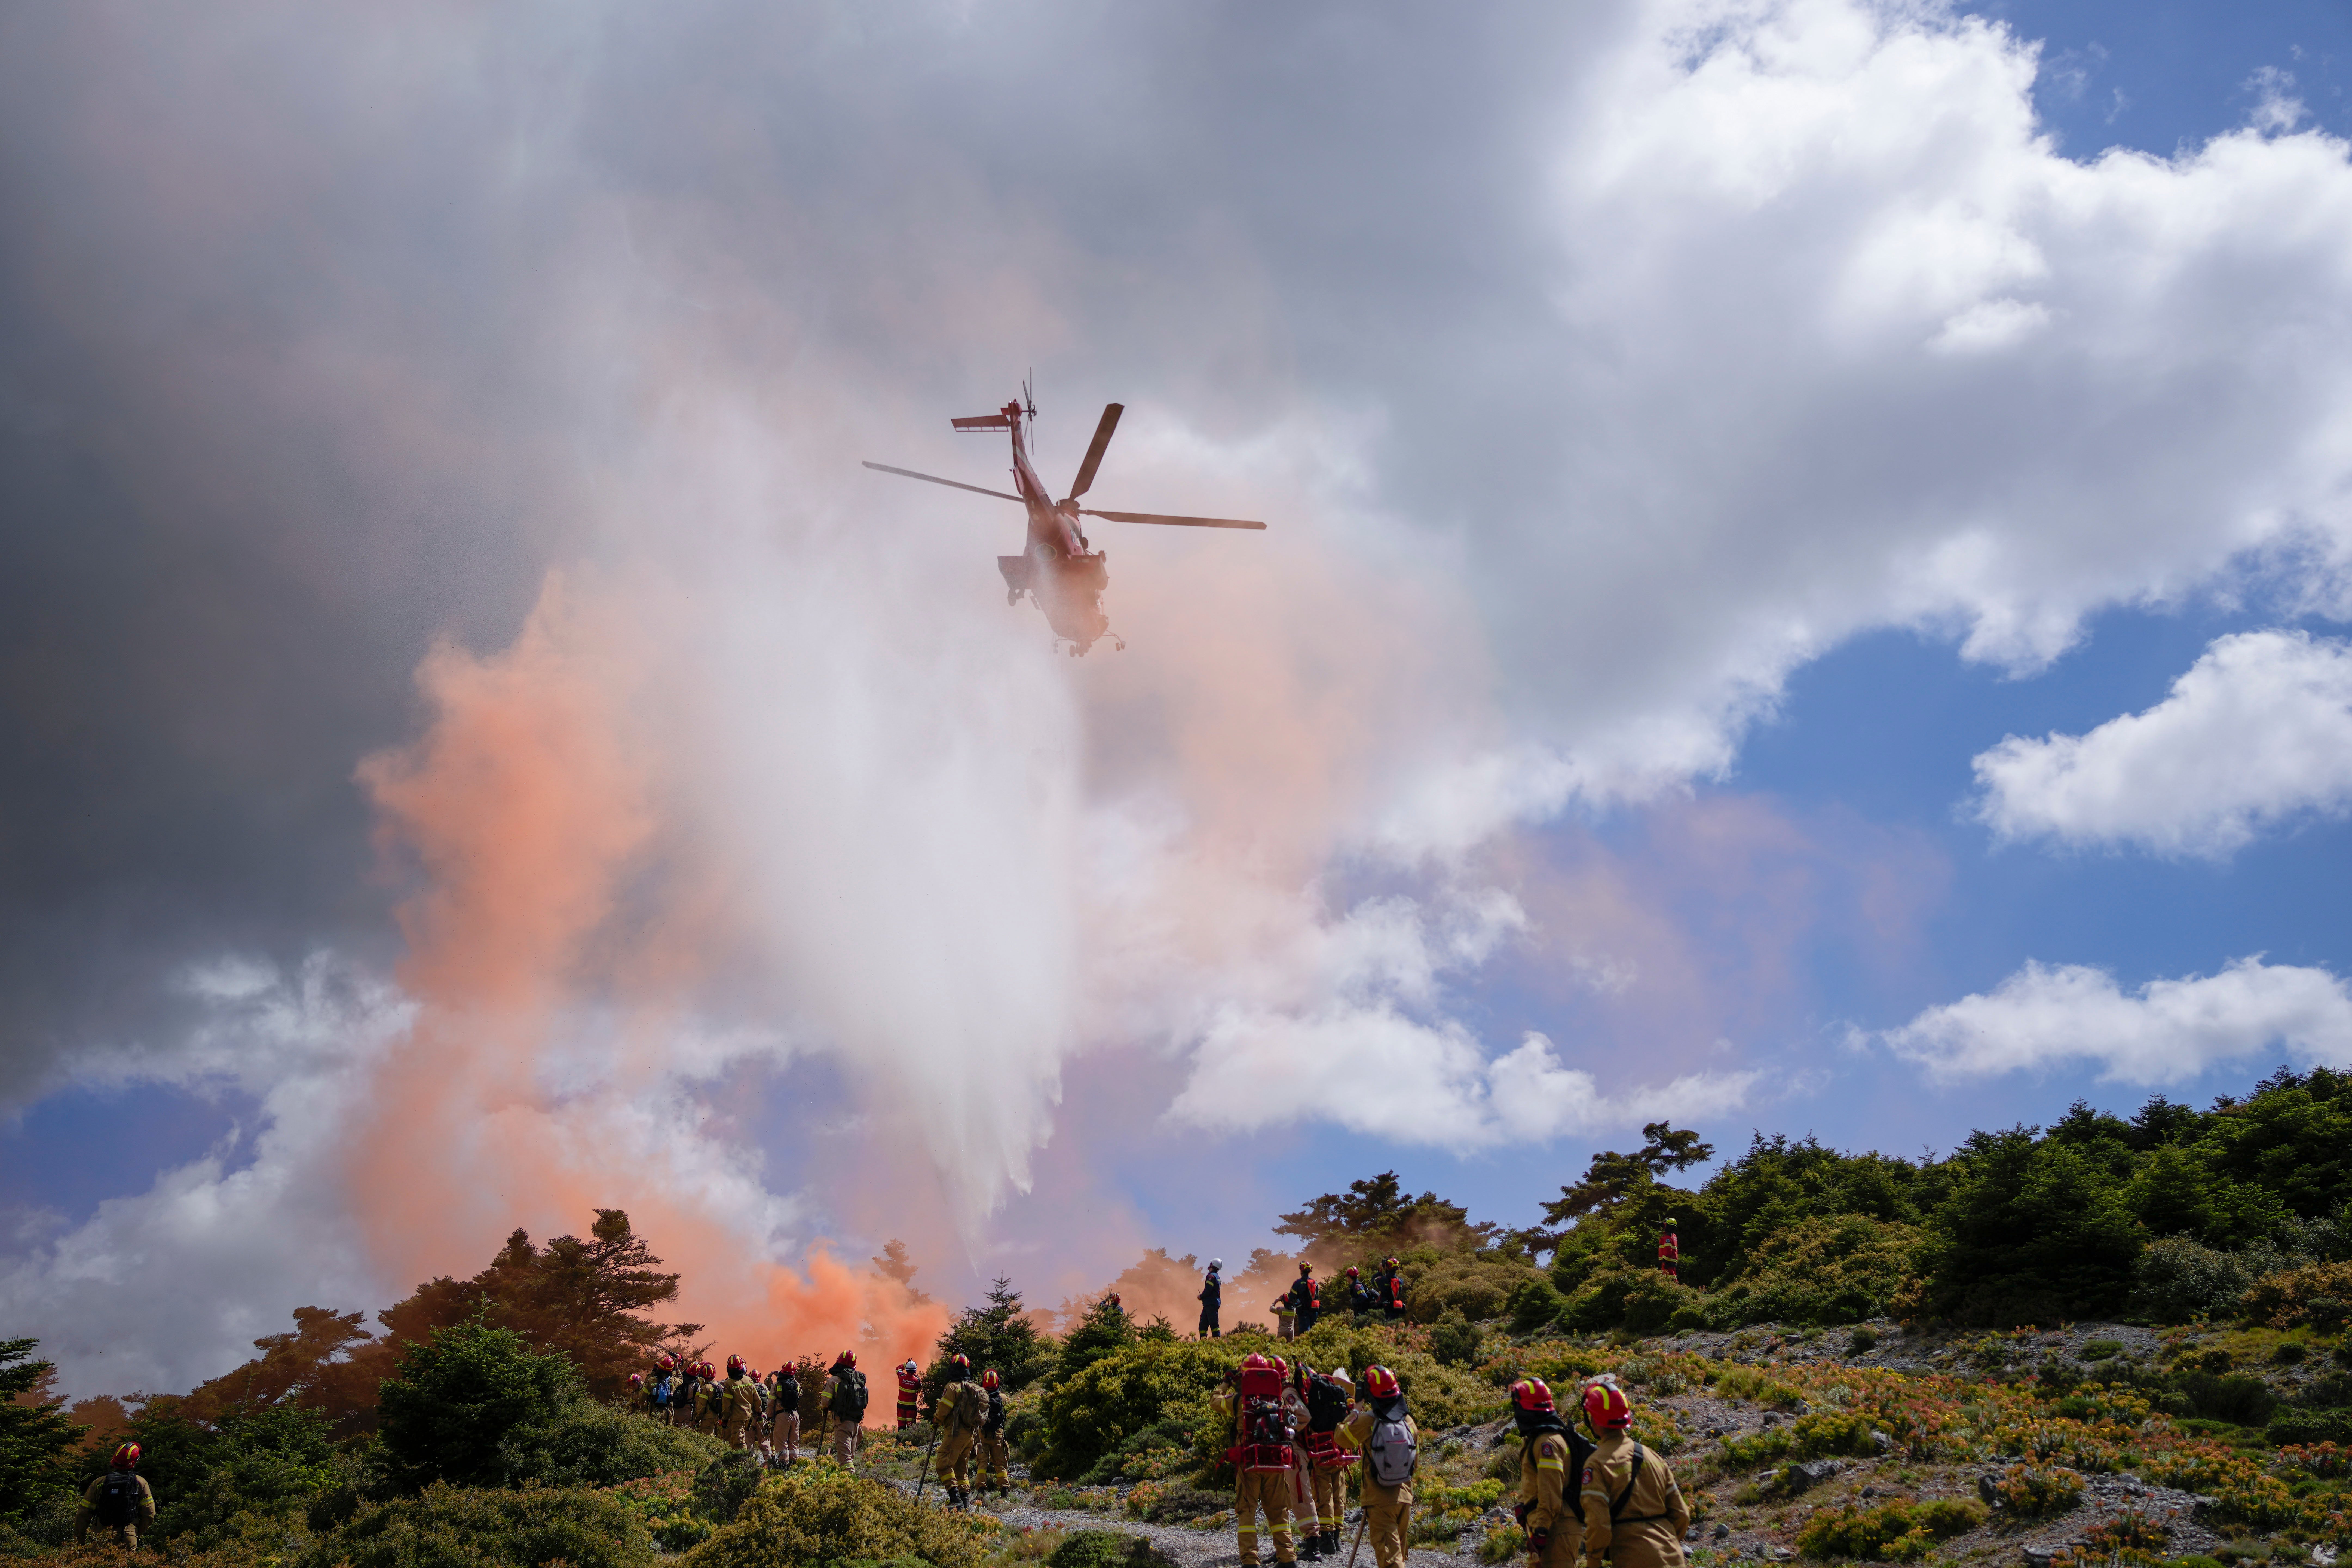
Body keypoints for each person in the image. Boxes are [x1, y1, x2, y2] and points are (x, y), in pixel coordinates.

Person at [1578, 1382, 1690, 1568]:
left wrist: (1594, 1561)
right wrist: (1664, 1543)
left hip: (1633, 1559)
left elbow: (1599, 1526)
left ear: (1595, 1421)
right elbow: (1682, 1515)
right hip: (1673, 1558)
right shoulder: (1652, 1456)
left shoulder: (1596, 1464)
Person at [1217, 1351, 1298, 1567]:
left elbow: (1214, 1401)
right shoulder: (1277, 1400)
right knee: (1279, 1512)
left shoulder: (1238, 1401)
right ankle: (1288, 1558)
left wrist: (1226, 1384)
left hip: (1250, 1463)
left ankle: (1251, 1561)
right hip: (1275, 1461)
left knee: (1247, 1511)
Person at [1336, 1364, 1415, 1568]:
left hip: (1379, 1501)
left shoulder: (1367, 1422)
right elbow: (1415, 1462)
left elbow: (1341, 1438)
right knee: (1399, 1555)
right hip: (1405, 1496)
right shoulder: (1409, 1422)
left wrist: (1355, 1411)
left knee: (1390, 1560)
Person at [1510, 1377, 1593, 1568]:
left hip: (1556, 1530)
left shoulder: (1548, 1443)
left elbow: (1551, 1492)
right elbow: (1535, 1484)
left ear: (1527, 1410)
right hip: (1548, 1528)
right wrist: (1523, 1506)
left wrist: (1541, 1532)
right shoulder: (1540, 1439)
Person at [1298, 1364, 1356, 1560]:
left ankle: (1327, 1539)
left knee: (1324, 1494)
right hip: (1339, 1447)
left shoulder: (1315, 1391)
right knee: (1340, 1491)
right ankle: (1337, 1537)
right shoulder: (1334, 1389)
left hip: (1321, 1449)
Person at [77, 1443, 155, 1550]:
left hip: (100, 1537)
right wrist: (135, 1534)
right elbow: (150, 1514)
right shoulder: (141, 1483)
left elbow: (83, 1514)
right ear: (134, 1462)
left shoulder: (99, 1483)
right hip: (128, 1537)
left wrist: (80, 1543)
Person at [933, 1354, 986, 1509]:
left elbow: (943, 1410)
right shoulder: (973, 1389)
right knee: (962, 1470)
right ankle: (965, 1503)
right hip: (971, 1436)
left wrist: (936, 1419)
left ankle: (955, 1499)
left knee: (943, 1465)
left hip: (955, 1434)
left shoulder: (952, 1388)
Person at [825, 1351, 868, 1463]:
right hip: (856, 1425)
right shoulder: (858, 1381)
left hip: (842, 1423)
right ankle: (849, 1478)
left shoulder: (833, 1381)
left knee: (845, 1461)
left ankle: (848, 1480)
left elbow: (825, 1403)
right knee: (850, 1458)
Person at [978, 1368, 1012, 1497]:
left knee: (982, 1464)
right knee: (1001, 1463)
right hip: (998, 1435)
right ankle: (1005, 1491)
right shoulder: (1001, 1397)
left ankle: (981, 1491)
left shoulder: (980, 1398)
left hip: (983, 1436)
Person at [722, 1354, 762, 1450]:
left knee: (739, 1443)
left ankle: (745, 1463)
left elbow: (726, 1406)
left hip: (737, 1419)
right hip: (748, 1417)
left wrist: (725, 1419)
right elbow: (758, 1400)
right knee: (736, 1440)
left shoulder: (729, 1384)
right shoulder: (749, 1380)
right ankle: (734, 1463)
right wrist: (759, 1412)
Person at [770, 1365, 802, 1463]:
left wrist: (770, 1417)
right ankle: (794, 1464)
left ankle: (783, 1464)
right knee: (794, 1442)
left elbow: (771, 1403)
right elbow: (800, 1394)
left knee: (781, 1442)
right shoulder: (797, 1384)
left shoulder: (776, 1385)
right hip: (795, 1415)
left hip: (782, 1416)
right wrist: (794, 1380)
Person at [1284, 1263, 1322, 1337]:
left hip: (1303, 1312)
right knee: (1314, 1331)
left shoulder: (1298, 1283)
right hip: (1314, 1311)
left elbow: (1291, 1298)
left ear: (1301, 1271)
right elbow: (1317, 1296)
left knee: (1305, 1334)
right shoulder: (1315, 1283)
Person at [1373, 1257, 1407, 1321]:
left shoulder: (1383, 1280)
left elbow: (1373, 1281)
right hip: (1396, 1310)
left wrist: (1380, 1271)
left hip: (1385, 1311)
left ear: (1387, 1267)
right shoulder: (1400, 1281)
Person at [1199, 1258, 1224, 1339]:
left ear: (1213, 1265)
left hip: (1211, 1304)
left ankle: (1217, 1342)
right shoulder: (1217, 1277)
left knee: (1214, 1324)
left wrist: (1201, 1296)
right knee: (1203, 1325)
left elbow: (1208, 1289)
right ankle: (1203, 1342)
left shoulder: (1212, 1276)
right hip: (1209, 1304)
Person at [896, 1358, 923, 1429]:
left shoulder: (902, 1377)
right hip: (911, 1408)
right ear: (915, 1370)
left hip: (901, 1407)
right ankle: (910, 1440)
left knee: (901, 1426)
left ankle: (900, 1440)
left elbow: (898, 1369)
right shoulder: (917, 1380)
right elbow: (920, 1386)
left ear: (907, 1370)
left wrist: (907, 1364)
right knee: (911, 1427)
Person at [1657, 1221, 1680, 1285]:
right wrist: (1662, 1225)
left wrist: (1664, 1260)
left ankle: (1676, 1290)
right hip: (1671, 1260)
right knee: (1671, 1276)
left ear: (1669, 1226)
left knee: (1669, 1278)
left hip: (1668, 1261)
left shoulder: (1668, 1237)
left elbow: (1668, 1250)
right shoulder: (1673, 1236)